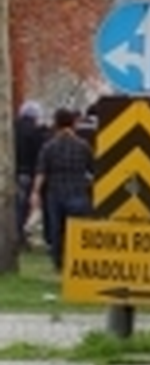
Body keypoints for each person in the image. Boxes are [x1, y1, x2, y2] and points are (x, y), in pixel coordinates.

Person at [29, 108, 93, 272]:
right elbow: (93, 169)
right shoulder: (83, 146)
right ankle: (77, 260)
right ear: (74, 123)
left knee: (56, 230)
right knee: (77, 229)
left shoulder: (49, 147)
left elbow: (41, 172)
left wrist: (36, 192)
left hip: (55, 192)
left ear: (56, 124)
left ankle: (59, 262)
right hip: (78, 190)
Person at [14, 101, 48, 250]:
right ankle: (18, 237)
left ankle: (15, 235)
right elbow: (39, 154)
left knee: (15, 206)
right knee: (23, 207)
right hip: (28, 172)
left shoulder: (11, 128)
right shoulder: (35, 133)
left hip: (13, 172)